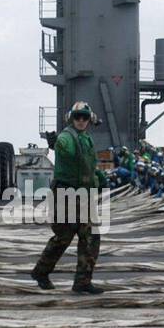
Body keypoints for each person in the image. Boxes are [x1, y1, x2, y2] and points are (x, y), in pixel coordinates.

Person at [31, 101, 106, 294]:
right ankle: (41, 271)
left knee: (90, 237)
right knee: (64, 237)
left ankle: (82, 281)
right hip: (67, 194)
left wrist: (99, 179)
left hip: (83, 195)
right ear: (71, 119)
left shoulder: (86, 138)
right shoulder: (67, 136)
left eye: (84, 117)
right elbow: (65, 148)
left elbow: (88, 165)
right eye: (77, 117)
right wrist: (56, 143)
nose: (81, 120)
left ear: (90, 120)